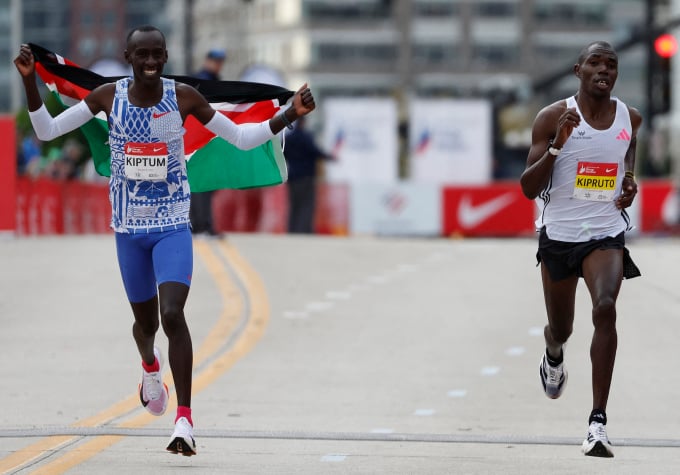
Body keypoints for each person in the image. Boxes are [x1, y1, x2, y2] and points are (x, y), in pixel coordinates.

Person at [14, 25, 316, 456]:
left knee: (173, 314)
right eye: (142, 54)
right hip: (129, 232)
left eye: (157, 54)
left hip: (173, 224)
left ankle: (185, 422)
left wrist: (290, 115)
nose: (151, 61)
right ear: (128, 57)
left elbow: (243, 138)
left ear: (166, 56)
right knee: (146, 326)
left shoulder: (185, 98)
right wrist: (29, 80)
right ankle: (149, 366)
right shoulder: (106, 96)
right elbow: (46, 131)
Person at [520, 41, 641, 458]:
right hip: (558, 237)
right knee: (562, 328)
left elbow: (628, 146)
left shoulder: (629, 117)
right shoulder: (552, 117)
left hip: (605, 234)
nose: (604, 69)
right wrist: (559, 144)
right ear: (578, 70)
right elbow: (527, 188)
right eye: (595, 63)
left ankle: (597, 423)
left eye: (612, 64)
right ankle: (554, 354)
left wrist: (628, 177)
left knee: (605, 306)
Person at [189, 48, 227, 235]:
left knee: (204, 183)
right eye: (215, 60)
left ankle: (200, 223)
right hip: (202, 139)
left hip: (207, 139)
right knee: (202, 183)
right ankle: (201, 224)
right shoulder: (204, 81)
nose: (218, 64)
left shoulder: (212, 79)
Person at [283, 115, 333, 233]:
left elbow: (282, 154)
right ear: (304, 122)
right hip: (306, 177)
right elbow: (316, 152)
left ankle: (292, 230)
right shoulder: (307, 137)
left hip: (292, 176)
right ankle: (303, 230)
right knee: (307, 205)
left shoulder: (288, 138)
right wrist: (329, 157)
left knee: (294, 205)